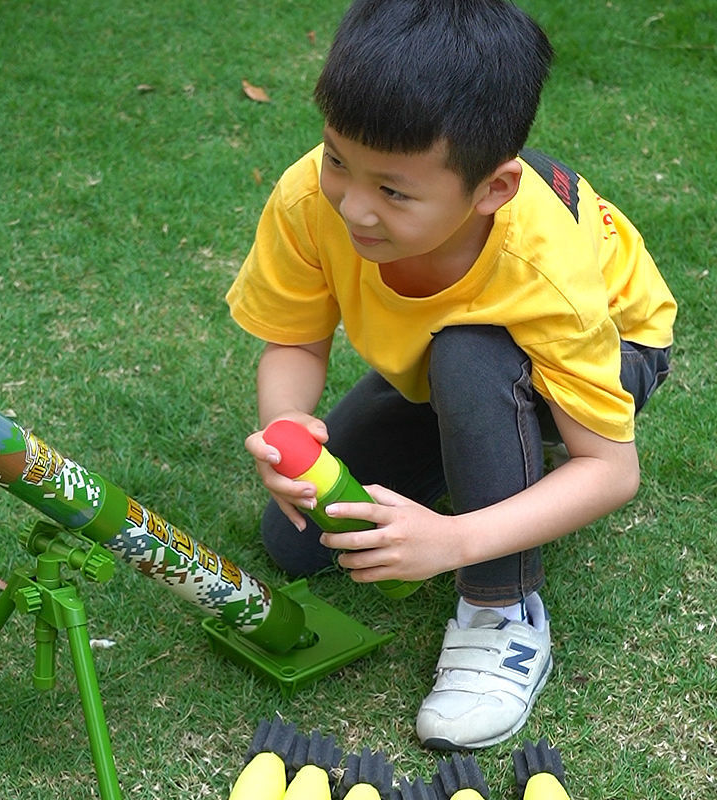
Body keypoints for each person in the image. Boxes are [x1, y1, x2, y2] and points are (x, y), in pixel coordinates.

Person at [226, 0, 676, 750]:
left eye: (393, 191)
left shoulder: (543, 267)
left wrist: (456, 542)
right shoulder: (313, 198)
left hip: (616, 349)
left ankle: (503, 611)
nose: (354, 207)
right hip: (444, 362)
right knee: (300, 542)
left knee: (471, 354)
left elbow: (609, 471)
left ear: (491, 189)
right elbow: (295, 342)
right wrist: (286, 425)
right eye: (339, 159)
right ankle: (486, 441)